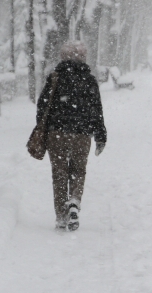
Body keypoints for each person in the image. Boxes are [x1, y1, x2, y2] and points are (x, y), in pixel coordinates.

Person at [35, 41, 107, 231]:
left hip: (56, 133)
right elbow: (97, 111)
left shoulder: (55, 78)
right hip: (82, 134)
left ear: (62, 57)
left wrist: (42, 127)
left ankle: (61, 216)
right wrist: (100, 136)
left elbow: (42, 105)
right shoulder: (89, 80)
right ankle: (74, 200)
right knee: (78, 170)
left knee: (59, 174)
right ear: (84, 58)